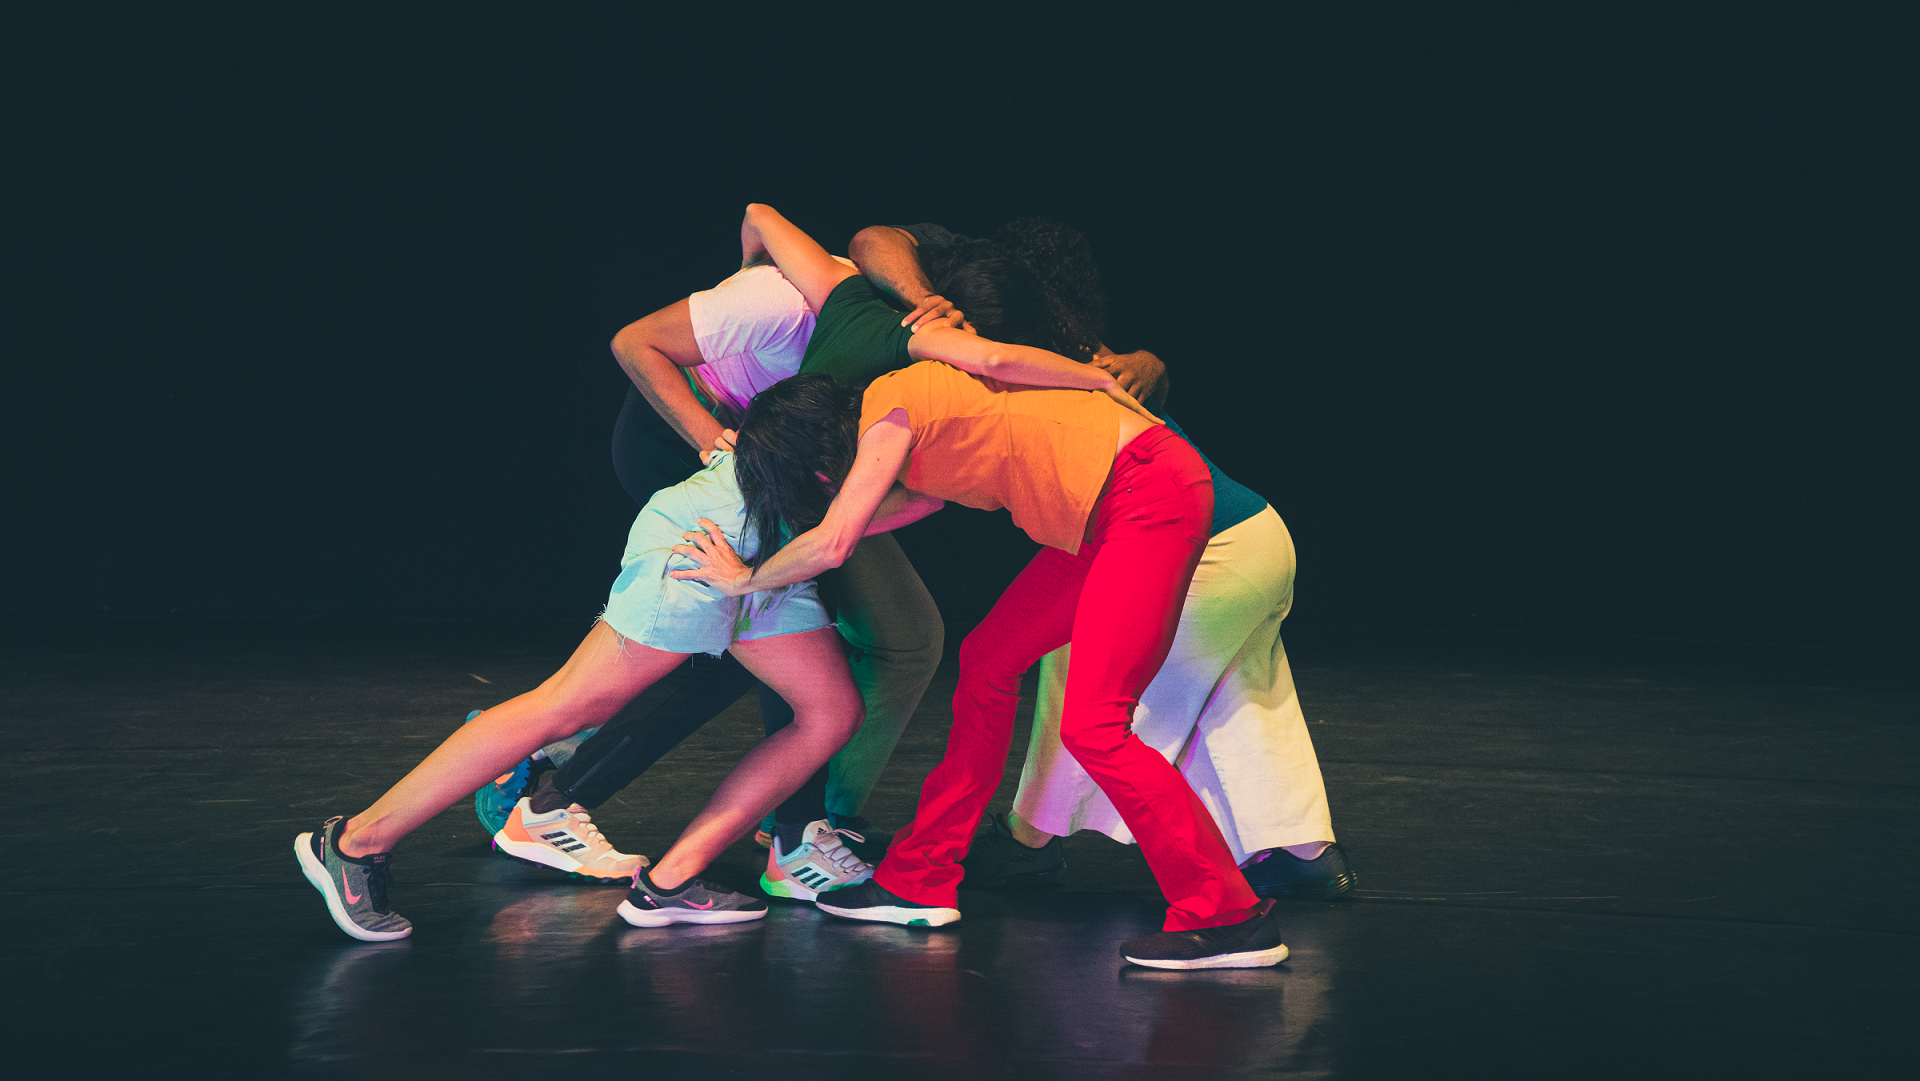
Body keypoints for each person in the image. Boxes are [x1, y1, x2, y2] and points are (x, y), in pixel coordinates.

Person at [670, 206, 1288, 970]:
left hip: (1145, 496)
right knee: (989, 660)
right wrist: (1092, 378)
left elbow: (835, 539)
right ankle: (921, 877)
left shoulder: (893, 405)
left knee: (1094, 723)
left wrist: (745, 577)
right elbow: (913, 490)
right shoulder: (920, 412)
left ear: (821, 459)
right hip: (1101, 517)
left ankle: (1228, 913)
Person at [851, 220, 1352, 900]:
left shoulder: (1030, 365)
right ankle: (1304, 852)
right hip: (1246, 534)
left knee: (1091, 697)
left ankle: (1038, 844)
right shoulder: (1053, 355)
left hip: (1204, 539)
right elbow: (876, 237)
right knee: (1233, 691)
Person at [293, 445, 940, 941]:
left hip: (777, 542)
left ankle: (669, 881)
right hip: (716, 538)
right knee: (568, 706)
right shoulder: (910, 368)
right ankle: (355, 842)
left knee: (830, 712)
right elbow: (640, 343)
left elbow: (897, 504)